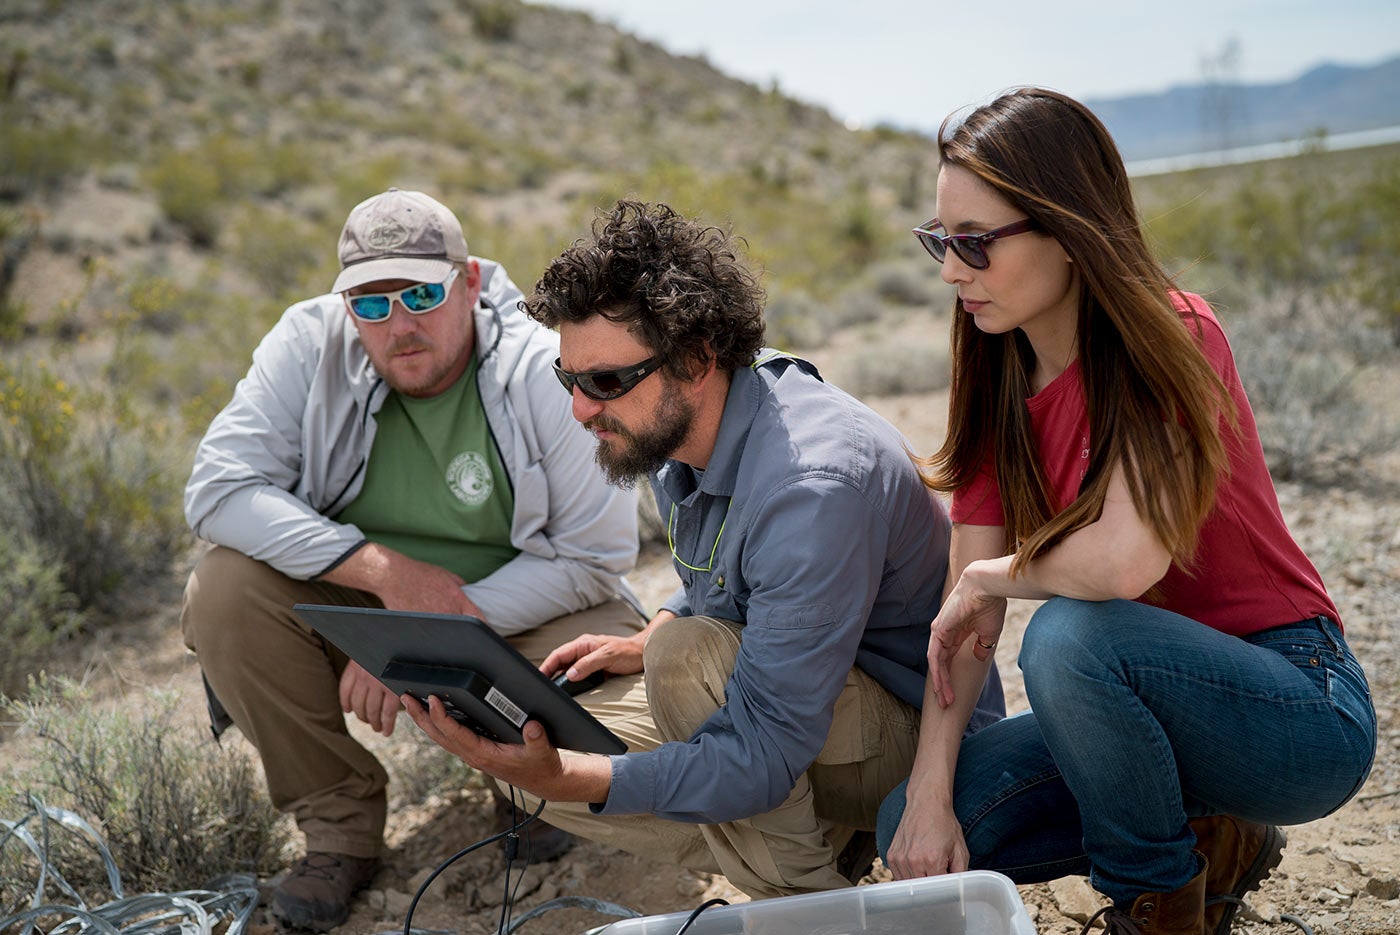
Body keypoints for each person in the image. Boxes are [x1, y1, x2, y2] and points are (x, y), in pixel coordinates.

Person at [875, 88, 1378, 935]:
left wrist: (996, 578)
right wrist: (930, 793)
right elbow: (962, 620)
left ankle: (1159, 903)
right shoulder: (997, 380)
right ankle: (1218, 836)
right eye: (939, 242)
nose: (952, 270)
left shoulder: (1173, 335)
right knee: (913, 827)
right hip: (1135, 703)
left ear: (1067, 231)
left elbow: (1119, 564)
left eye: (974, 244)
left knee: (1070, 636)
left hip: (1295, 703)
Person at [403, 199, 1006, 899]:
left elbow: (764, 748)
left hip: (922, 742)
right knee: (539, 735)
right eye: (570, 379)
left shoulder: (808, 484)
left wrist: (576, 776)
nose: (580, 408)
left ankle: (813, 908)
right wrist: (650, 630)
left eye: (605, 382)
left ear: (695, 358)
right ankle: (823, 845)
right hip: (815, 698)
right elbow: (725, 574)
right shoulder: (676, 433)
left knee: (674, 674)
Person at [181, 188, 645, 932]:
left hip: (528, 602)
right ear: (346, 309)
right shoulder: (305, 346)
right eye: (371, 303)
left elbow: (595, 558)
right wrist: (388, 579)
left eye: (422, 294)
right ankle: (339, 827)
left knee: (618, 702)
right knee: (224, 588)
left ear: (468, 282)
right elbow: (216, 490)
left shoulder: (543, 366)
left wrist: (419, 637)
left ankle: (530, 786)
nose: (399, 325)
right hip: (368, 602)